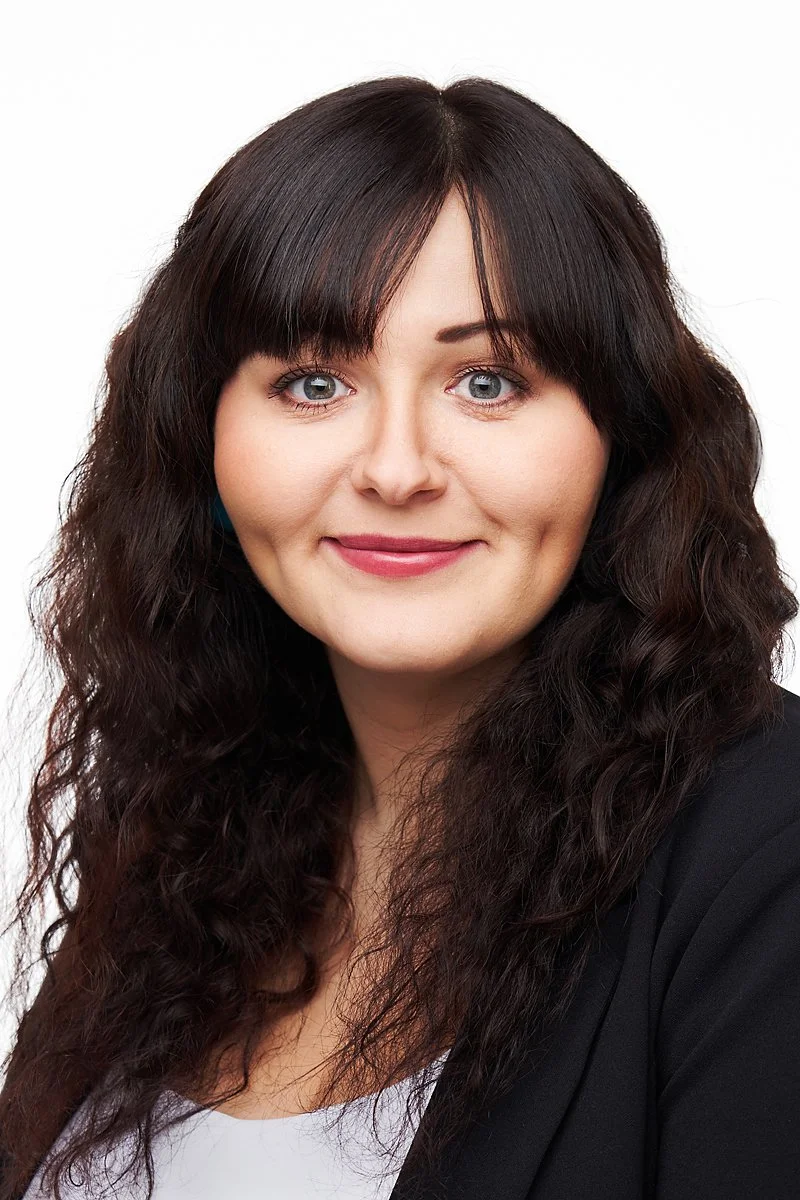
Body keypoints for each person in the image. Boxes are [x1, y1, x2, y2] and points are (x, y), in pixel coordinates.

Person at [1, 74, 798, 1200]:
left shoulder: (767, 851)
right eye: (314, 382)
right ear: (200, 442)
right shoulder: (179, 846)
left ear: (622, 436)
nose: (394, 468)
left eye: (487, 381)